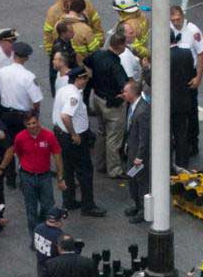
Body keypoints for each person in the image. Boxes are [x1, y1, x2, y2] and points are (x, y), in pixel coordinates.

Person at [52, 66, 105, 216]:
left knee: (68, 169)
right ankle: (88, 206)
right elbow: (65, 116)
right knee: (85, 171)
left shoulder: (63, 89)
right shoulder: (73, 96)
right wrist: (74, 134)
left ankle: (68, 200)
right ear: (79, 79)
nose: (86, 82)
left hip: (61, 134)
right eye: (85, 79)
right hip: (73, 138)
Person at [84, 32, 129, 179]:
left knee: (102, 132)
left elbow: (86, 62)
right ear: (121, 46)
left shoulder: (98, 55)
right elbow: (125, 86)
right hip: (112, 105)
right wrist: (124, 96)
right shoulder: (115, 65)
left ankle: (100, 163)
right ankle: (114, 169)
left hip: (97, 98)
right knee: (114, 138)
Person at [170, 5, 203, 159]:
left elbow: (201, 54)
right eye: (173, 20)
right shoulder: (167, 29)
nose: (176, 22)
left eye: (178, 19)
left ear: (182, 16)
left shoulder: (193, 31)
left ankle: (193, 142)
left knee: (191, 111)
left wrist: (198, 77)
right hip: (172, 75)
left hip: (188, 74)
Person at [0, 40, 42, 131]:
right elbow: (36, 102)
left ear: (13, 54)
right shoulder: (29, 76)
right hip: (22, 117)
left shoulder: (1, 72)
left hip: (5, 114)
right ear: (26, 58)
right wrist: (34, 116)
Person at [121, 76, 150, 223]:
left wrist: (140, 156)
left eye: (125, 91)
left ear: (133, 93)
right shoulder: (132, 106)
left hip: (138, 155)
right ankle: (137, 205)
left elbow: (144, 137)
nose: (123, 94)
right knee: (132, 179)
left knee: (141, 182)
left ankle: (144, 210)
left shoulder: (143, 111)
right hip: (131, 150)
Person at [32, 205, 68, 277]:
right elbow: (65, 255)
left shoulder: (38, 228)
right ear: (59, 220)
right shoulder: (59, 236)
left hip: (41, 269)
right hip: (54, 272)